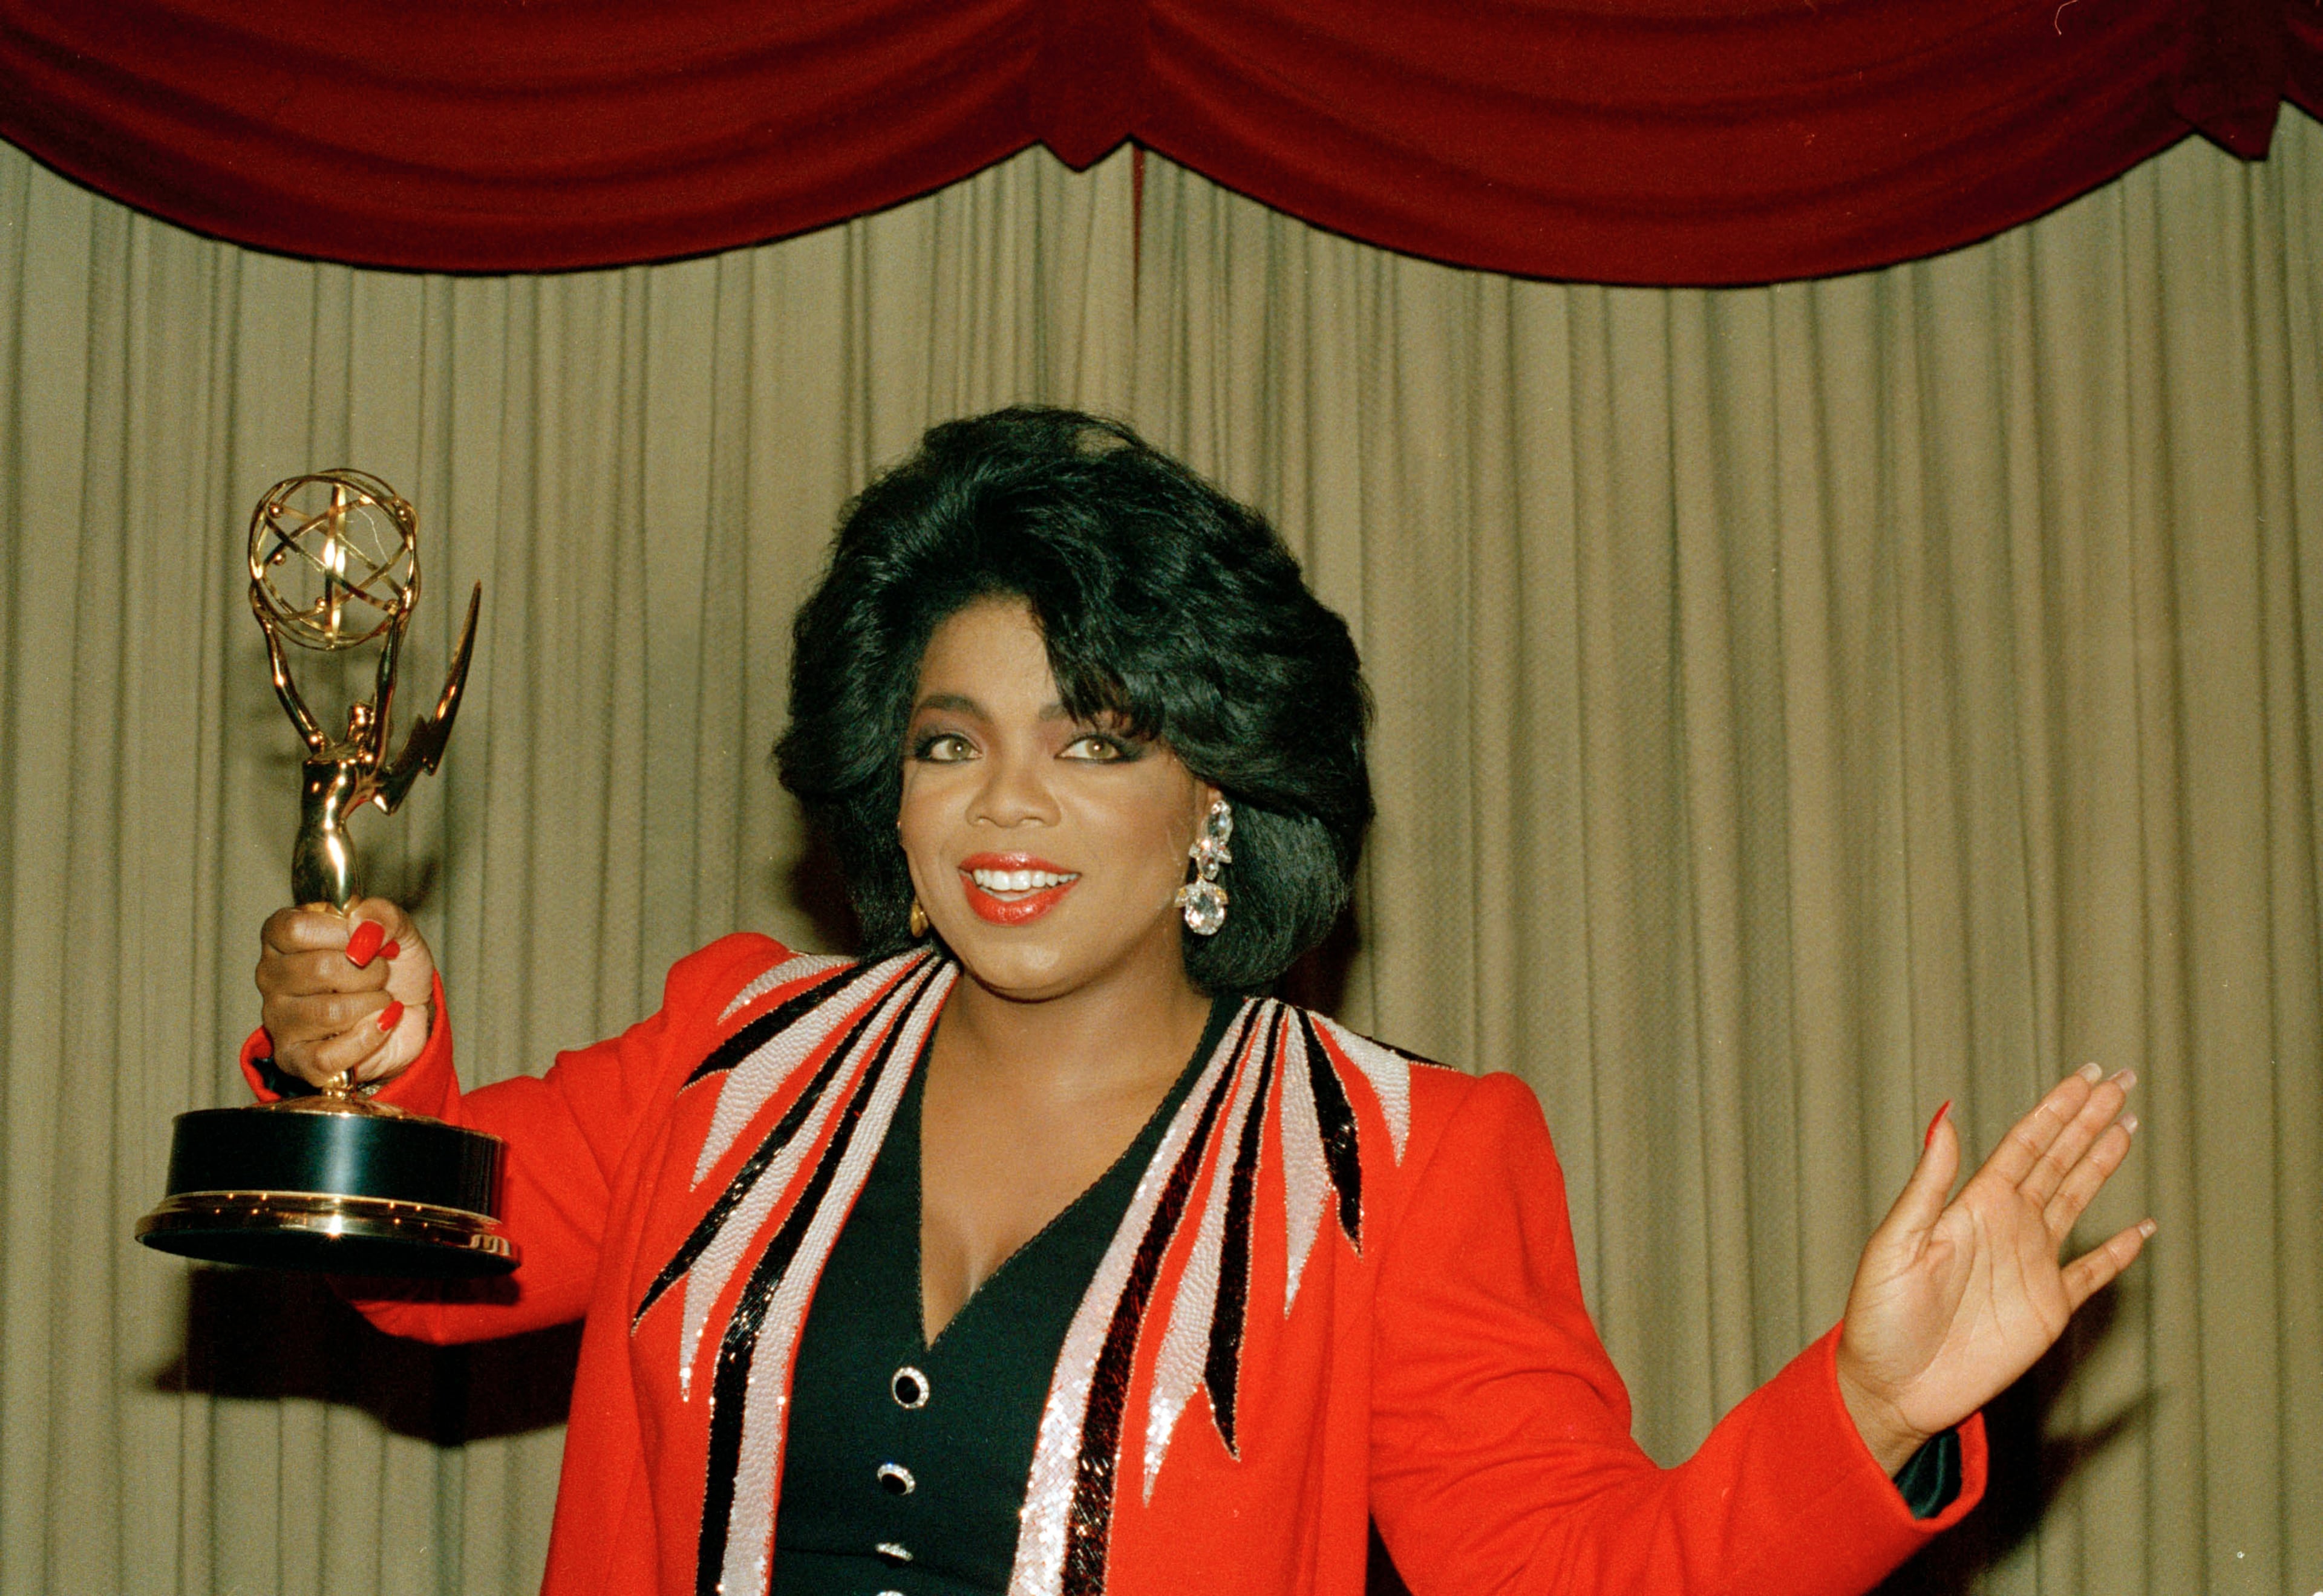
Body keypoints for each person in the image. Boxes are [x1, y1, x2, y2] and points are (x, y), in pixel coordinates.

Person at [253, 408, 2150, 1596]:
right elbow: (418, 1251)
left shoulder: (1403, 1163)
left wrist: (1864, 1408)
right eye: (947, 740)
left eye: (1096, 742)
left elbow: (1582, 1576)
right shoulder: (730, 1052)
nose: (1007, 803)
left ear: (1216, 798)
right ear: (885, 787)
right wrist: (362, 1045)